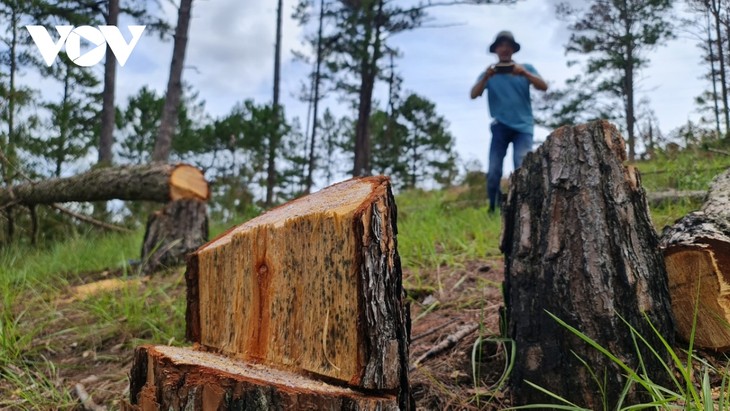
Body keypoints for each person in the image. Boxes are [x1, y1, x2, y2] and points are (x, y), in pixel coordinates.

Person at [470, 30, 548, 213]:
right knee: (494, 170)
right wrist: (487, 77)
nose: (504, 49)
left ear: (513, 49)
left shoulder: (525, 68)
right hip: (500, 127)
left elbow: (543, 86)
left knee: (522, 166)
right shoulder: (489, 74)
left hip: (524, 127)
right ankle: (493, 207)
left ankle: (523, 206)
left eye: (508, 46)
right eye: (501, 45)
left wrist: (525, 73)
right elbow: (473, 94)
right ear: (495, 50)